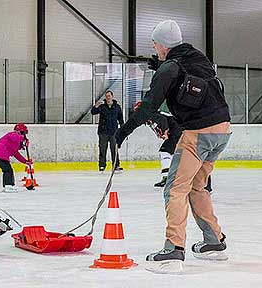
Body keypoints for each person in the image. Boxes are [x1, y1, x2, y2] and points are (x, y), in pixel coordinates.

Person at [115, 20, 231, 270]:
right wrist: (162, 68)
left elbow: (148, 106)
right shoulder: (197, 58)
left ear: (161, 43)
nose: (154, 47)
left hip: (198, 133)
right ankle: (214, 242)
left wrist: (122, 133)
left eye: (155, 43)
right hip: (223, 129)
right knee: (197, 186)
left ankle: (173, 249)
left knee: (175, 188)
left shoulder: (169, 68)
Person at [0, 123, 32, 192]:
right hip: (0, 154)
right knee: (7, 170)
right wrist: (24, 139)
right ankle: (8, 186)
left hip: (2, 155)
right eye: (23, 133)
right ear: (18, 131)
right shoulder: (11, 135)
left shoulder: (15, 143)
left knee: (9, 170)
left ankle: (10, 185)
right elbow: (15, 137)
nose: (24, 135)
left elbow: (16, 154)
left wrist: (25, 161)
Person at [91, 90, 124, 173]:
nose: (108, 98)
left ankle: (116, 166)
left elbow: (120, 119)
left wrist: (123, 130)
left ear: (112, 96)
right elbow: (93, 112)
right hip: (103, 132)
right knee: (102, 149)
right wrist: (96, 106)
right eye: (106, 96)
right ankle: (102, 166)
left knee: (114, 149)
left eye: (109, 96)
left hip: (114, 132)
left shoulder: (117, 107)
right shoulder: (102, 106)